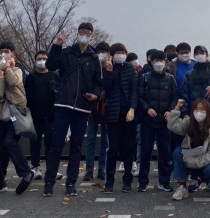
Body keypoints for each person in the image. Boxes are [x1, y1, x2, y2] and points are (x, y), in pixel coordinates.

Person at [43, 23, 103, 197]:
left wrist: (96, 95)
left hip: (82, 107)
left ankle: (71, 183)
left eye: (88, 33)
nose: (85, 35)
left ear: (92, 36)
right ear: (77, 33)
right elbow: (51, 65)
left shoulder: (93, 58)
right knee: (56, 144)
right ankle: (49, 182)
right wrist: (57, 44)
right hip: (63, 104)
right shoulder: (66, 52)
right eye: (82, 32)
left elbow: (98, 83)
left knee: (77, 146)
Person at [0, 49, 34, 195]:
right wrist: (0, 77)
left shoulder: (16, 70)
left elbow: (14, 82)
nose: (0, 61)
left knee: (9, 142)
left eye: (1, 58)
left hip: (15, 117)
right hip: (0, 119)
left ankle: (26, 173)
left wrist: (8, 69)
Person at [167, 98, 210, 200]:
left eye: (202, 109)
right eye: (196, 109)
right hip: (193, 156)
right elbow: (172, 126)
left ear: (208, 111)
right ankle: (182, 187)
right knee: (178, 152)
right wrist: (177, 108)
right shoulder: (189, 122)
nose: (199, 112)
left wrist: (191, 161)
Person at [137, 50, 177, 192]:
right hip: (148, 121)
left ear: (165, 62)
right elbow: (139, 96)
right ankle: (142, 182)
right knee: (145, 152)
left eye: (161, 60)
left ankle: (164, 182)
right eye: (156, 60)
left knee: (165, 153)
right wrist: (147, 108)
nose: (159, 63)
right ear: (151, 62)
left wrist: (170, 110)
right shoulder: (144, 77)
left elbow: (174, 97)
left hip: (164, 122)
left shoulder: (170, 78)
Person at [102, 43, 139, 193]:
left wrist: (132, 108)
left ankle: (127, 180)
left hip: (128, 113)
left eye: (122, 52)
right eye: (117, 52)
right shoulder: (108, 69)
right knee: (113, 148)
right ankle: (109, 181)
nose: (120, 54)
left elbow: (134, 90)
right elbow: (106, 89)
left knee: (128, 148)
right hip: (113, 114)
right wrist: (109, 71)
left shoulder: (131, 68)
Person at [25, 51, 58, 181]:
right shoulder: (30, 77)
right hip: (35, 115)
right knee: (35, 142)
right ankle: (35, 167)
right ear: (35, 61)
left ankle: (51, 169)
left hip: (51, 115)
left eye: (44, 58)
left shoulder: (54, 76)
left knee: (51, 143)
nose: (42, 61)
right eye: (39, 59)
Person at [84, 42, 110, 182]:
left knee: (105, 142)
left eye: (104, 51)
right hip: (92, 109)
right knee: (90, 140)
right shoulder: (92, 67)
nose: (102, 54)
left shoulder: (111, 69)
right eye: (99, 51)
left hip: (106, 109)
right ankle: (89, 170)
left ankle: (102, 168)